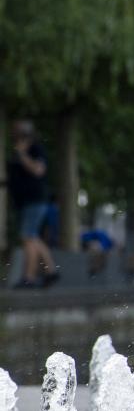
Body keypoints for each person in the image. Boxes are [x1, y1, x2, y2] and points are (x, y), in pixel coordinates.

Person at [6, 120, 59, 289]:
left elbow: (38, 170)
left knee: (28, 237)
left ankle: (29, 277)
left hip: (35, 200)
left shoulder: (35, 150)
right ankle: (51, 271)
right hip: (27, 202)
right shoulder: (20, 153)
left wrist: (22, 155)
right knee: (32, 236)